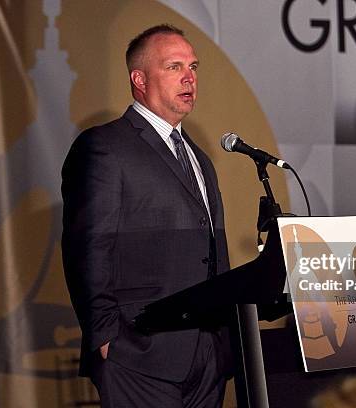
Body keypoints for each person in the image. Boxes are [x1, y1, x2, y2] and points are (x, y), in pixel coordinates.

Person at [61, 24, 230, 407]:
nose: (189, 77)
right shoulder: (104, 146)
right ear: (139, 79)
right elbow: (87, 247)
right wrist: (105, 335)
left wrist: (223, 337)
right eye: (174, 67)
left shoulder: (199, 157)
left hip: (207, 356)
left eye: (193, 66)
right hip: (138, 353)